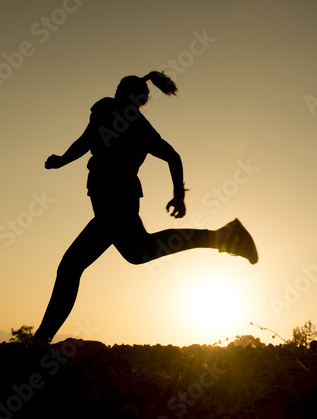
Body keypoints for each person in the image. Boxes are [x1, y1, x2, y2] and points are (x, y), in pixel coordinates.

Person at [33, 71, 257, 343]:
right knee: (134, 253)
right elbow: (173, 156)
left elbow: (86, 141)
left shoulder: (107, 108)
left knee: (74, 265)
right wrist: (178, 196)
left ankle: (40, 341)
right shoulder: (143, 128)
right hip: (119, 197)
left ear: (121, 92)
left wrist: (61, 160)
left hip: (113, 197)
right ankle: (222, 237)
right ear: (143, 99)